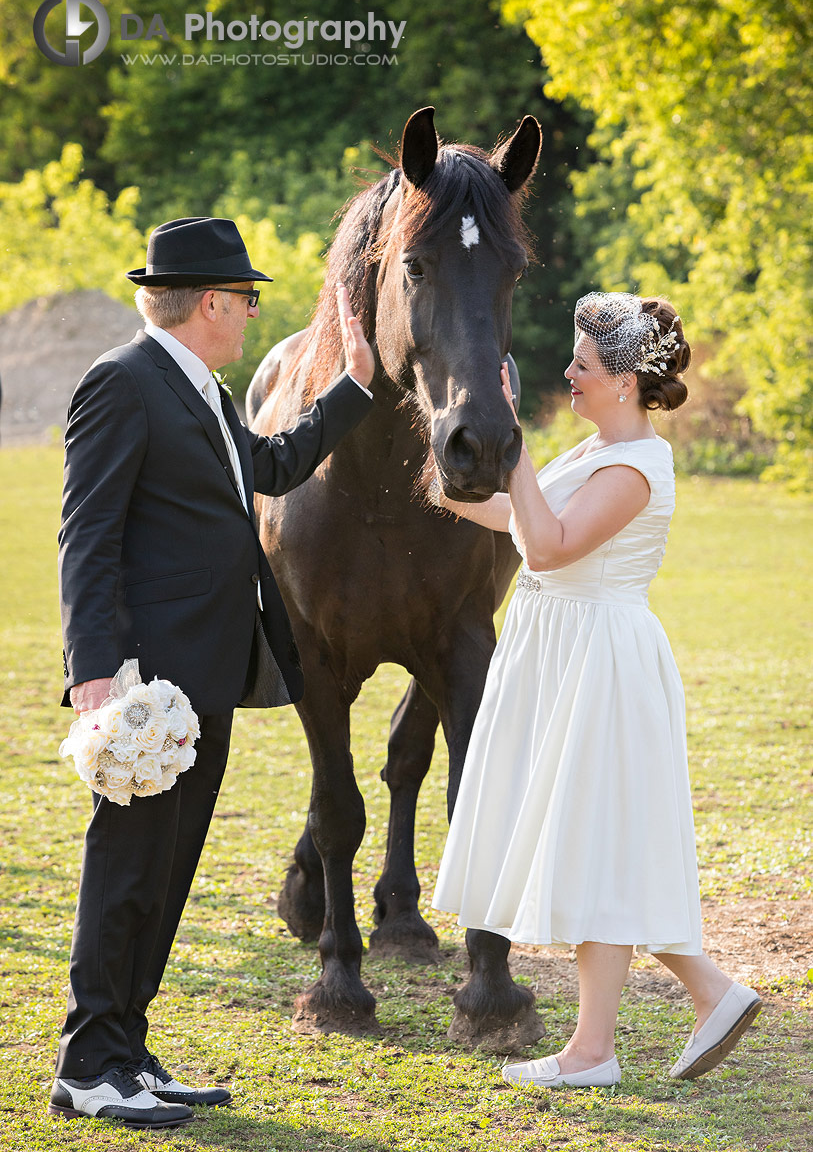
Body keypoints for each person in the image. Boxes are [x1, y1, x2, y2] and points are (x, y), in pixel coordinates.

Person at [51, 216, 375, 1128]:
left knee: (168, 870)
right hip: (145, 683)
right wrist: (99, 676)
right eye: (245, 299)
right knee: (126, 868)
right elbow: (87, 535)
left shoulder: (203, 389)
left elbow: (270, 469)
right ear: (206, 304)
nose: (251, 312)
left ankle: (125, 1048)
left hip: (208, 677)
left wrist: (351, 388)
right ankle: (87, 1064)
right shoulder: (122, 383)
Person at [431, 291, 761, 1089]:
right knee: (591, 841)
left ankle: (596, 1049)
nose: (567, 375)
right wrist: (459, 476)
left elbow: (545, 548)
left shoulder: (638, 466)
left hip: (599, 659)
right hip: (558, 650)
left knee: (595, 842)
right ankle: (702, 996)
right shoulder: (590, 451)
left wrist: (510, 445)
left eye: (580, 365)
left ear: (621, 382)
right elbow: (521, 515)